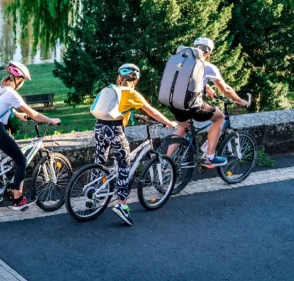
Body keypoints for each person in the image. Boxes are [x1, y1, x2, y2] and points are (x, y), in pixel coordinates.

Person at [94, 64, 177, 226]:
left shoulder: (110, 89)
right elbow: (152, 111)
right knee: (124, 167)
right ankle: (122, 205)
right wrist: (169, 123)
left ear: (119, 77)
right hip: (114, 130)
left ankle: (93, 196)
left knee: (100, 161)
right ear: (136, 80)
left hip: (98, 126)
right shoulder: (131, 93)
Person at [0, 61, 61, 211]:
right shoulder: (12, 93)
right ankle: (18, 200)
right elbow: (34, 114)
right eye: (23, 81)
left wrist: (16, 114)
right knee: (21, 161)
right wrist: (51, 120)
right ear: (19, 79)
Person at [167, 37, 250, 167]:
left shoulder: (183, 62)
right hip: (192, 105)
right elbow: (225, 89)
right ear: (209, 53)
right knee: (219, 117)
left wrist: (206, 86)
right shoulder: (208, 66)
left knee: (182, 127)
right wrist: (239, 100)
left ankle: (166, 163)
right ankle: (210, 157)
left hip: (174, 103)